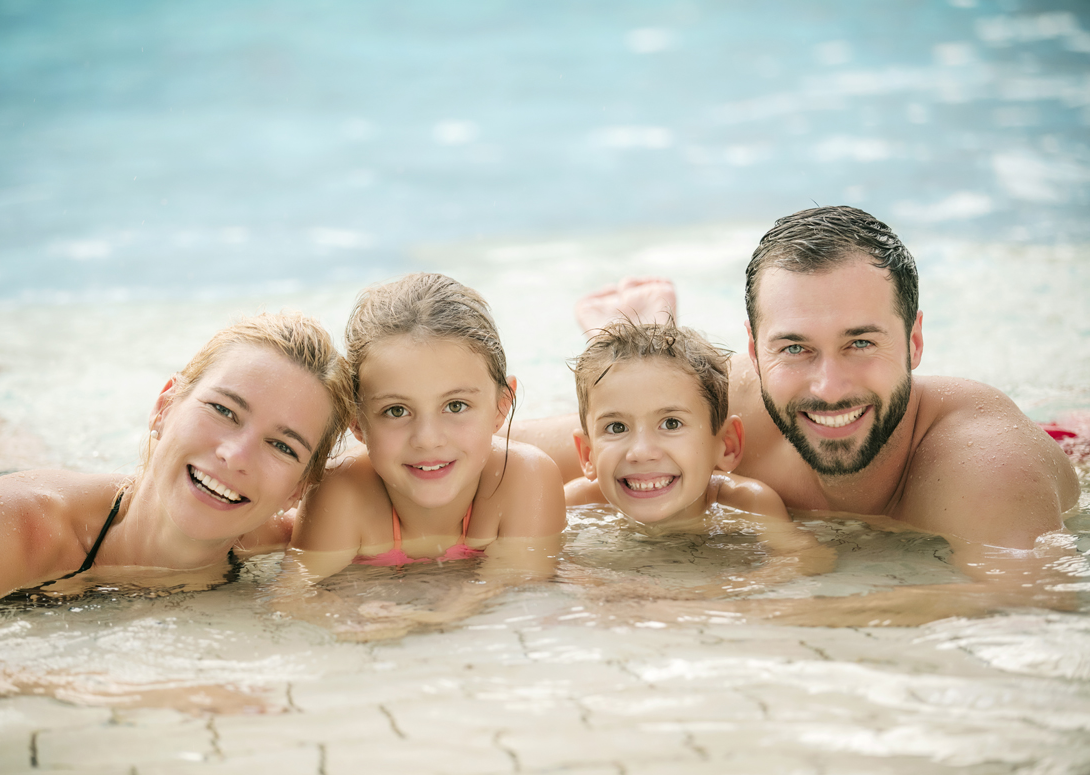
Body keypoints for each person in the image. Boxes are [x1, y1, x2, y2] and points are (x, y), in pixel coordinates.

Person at [516, 206, 1081, 624]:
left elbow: (1024, 603)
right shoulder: (740, 412)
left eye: (861, 343)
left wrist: (720, 607)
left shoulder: (984, 466)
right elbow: (497, 445)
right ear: (755, 350)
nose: (828, 388)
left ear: (914, 343)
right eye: (794, 347)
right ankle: (646, 333)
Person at [0, 311, 355, 611]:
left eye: (283, 446)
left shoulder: (288, 538)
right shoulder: (15, 520)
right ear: (164, 407)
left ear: (299, 488)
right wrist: (124, 693)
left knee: (12, 447)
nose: (235, 456)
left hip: (90, 489)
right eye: (223, 410)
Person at [277, 273, 566, 637]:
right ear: (357, 423)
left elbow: (523, 583)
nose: (427, 439)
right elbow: (291, 597)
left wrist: (429, 619)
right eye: (396, 411)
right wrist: (347, 616)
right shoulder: (341, 491)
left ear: (500, 406)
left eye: (456, 405)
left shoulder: (526, 477)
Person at [566, 317, 835, 596]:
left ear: (726, 446)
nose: (641, 453)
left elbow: (809, 559)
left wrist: (704, 594)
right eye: (617, 427)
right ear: (587, 455)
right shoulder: (576, 504)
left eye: (671, 423)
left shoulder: (746, 504)